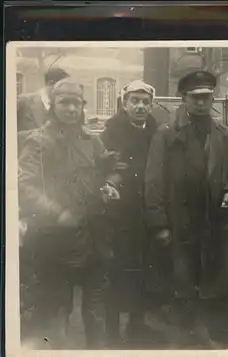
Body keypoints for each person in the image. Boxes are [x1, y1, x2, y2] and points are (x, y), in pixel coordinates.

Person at [144, 70, 228, 349]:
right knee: (179, 280)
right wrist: (159, 224)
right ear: (184, 98)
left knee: (207, 280)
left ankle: (201, 334)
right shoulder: (166, 135)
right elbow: (153, 182)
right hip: (179, 222)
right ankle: (177, 339)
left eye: (206, 97)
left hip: (212, 221)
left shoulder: (223, 134)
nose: (201, 103)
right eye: (195, 98)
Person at [18, 78, 121, 349]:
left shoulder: (91, 140)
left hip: (94, 236)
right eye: (64, 102)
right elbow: (23, 185)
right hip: (56, 240)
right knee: (57, 308)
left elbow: (112, 166)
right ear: (53, 105)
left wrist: (110, 184)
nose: (71, 109)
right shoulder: (39, 141)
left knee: (95, 305)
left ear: (83, 107)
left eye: (76, 103)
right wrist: (56, 212)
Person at [99, 80, 159, 346]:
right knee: (116, 270)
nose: (140, 106)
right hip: (118, 213)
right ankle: (111, 332)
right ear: (125, 104)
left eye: (145, 102)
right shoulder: (111, 132)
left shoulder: (156, 131)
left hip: (145, 211)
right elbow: (108, 168)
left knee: (144, 268)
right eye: (135, 101)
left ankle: (137, 325)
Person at [17, 67, 70, 132]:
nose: (65, 91)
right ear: (50, 84)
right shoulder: (22, 102)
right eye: (62, 87)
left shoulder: (62, 107)